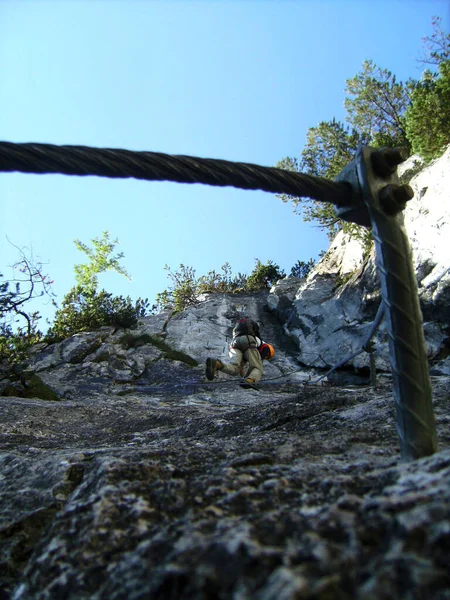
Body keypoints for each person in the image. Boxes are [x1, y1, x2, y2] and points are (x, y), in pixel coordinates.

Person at [205, 317, 275, 390]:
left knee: (235, 369)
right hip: (248, 341)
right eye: (268, 356)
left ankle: (217, 364)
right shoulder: (265, 347)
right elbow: (257, 363)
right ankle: (250, 380)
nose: (266, 356)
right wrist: (249, 379)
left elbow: (242, 367)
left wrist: (243, 378)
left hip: (234, 343)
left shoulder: (248, 338)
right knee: (258, 368)